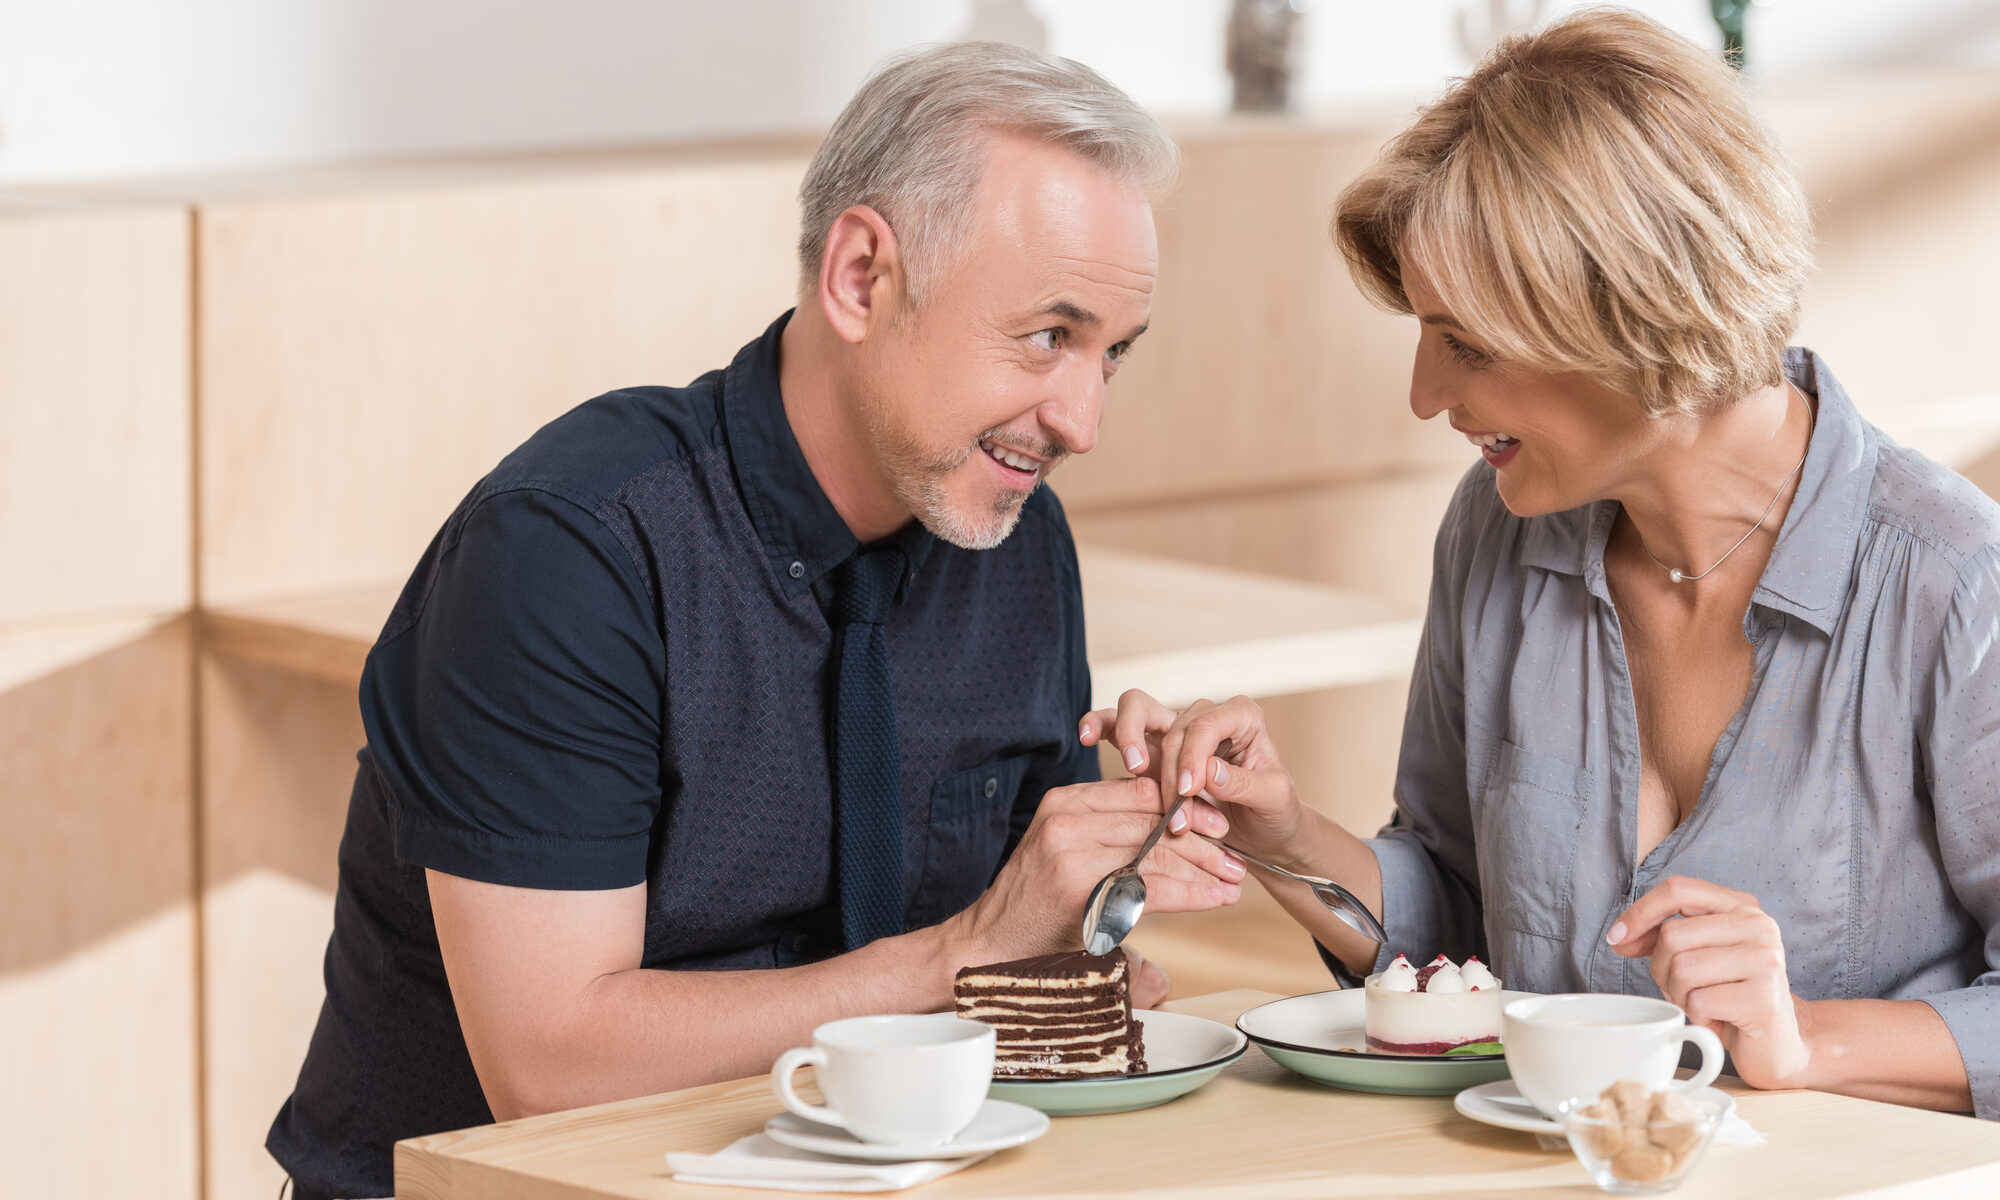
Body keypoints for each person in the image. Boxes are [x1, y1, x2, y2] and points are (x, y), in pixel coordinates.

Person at [269, 42, 1248, 1199]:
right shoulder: (568, 550)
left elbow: (988, 978)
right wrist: (963, 956)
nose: (1081, 419)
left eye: (1110, 357)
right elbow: (550, 1063)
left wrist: (1082, 916)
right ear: (860, 277)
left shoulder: (1015, 536)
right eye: (1047, 336)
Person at [1085, 10, 1999, 1117]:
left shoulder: (1950, 586)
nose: (1425, 395)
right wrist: (1278, 836)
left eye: (1465, 343)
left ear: (1635, 314)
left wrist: (1802, 1040)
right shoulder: (1497, 529)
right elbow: (1459, 923)